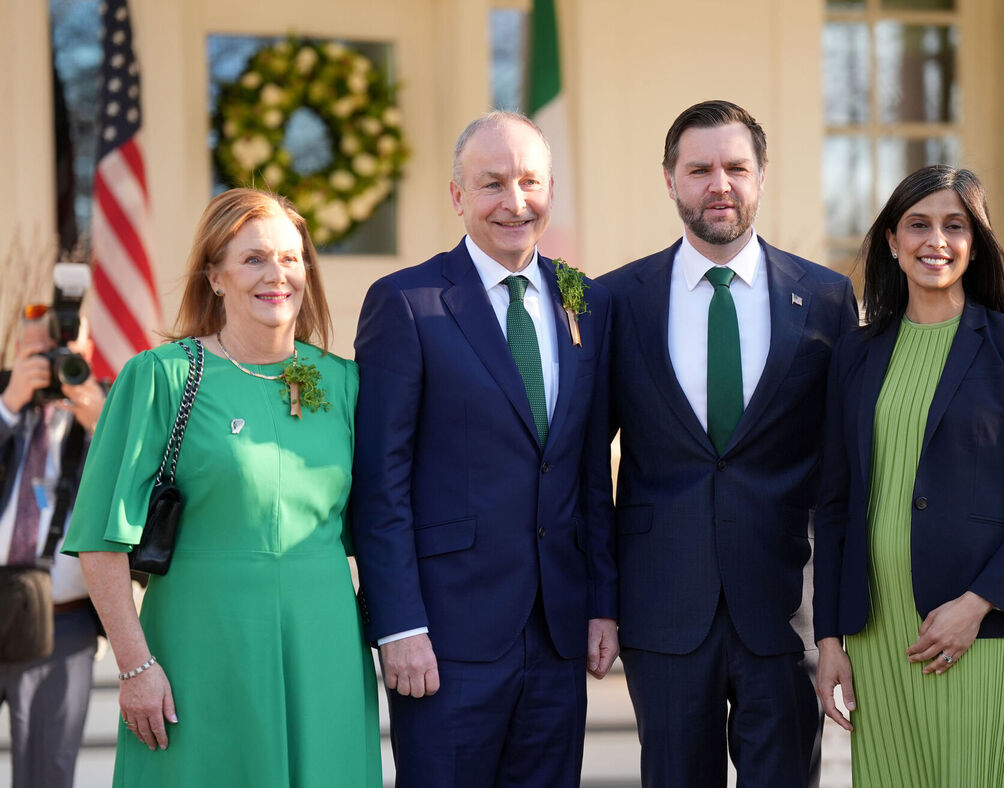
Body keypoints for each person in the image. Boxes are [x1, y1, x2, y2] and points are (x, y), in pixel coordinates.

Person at [62, 188, 382, 786]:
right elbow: (100, 543)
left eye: (291, 258)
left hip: (325, 647)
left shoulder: (341, 383)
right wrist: (135, 667)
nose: (277, 275)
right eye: (254, 259)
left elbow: (381, 524)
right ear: (215, 277)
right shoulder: (161, 377)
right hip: (200, 649)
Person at [352, 111, 618, 787]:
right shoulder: (407, 302)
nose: (514, 201)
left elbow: (588, 470)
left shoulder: (582, 298)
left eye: (529, 182)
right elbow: (381, 483)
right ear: (457, 196)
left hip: (557, 633)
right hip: (447, 634)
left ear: (551, 190)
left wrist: (600, 602)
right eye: (492, 183)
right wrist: (399, 624)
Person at [598, 100, 858, 787]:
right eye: (700, 169)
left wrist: (837, 620)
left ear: (762, 176)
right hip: (662, 609)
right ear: (670, 179)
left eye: (736, 167)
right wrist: (600, 600)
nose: (720, 184)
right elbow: (586, 471)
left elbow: (843, 479)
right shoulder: (617, 300)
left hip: (784, 609)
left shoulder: (828, 299)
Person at [814, 165, 1004, 786]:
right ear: (892, 242)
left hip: (978, 630)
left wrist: (977, 605)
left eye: (955, 226)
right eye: (919, 225)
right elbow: (834, 504)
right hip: (878, 637)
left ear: (975, 241)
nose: (936, 240)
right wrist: (829, 640)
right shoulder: (856, 352)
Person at [0, 307, 105, 788]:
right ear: (19, 353)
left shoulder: (110, 409)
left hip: (63, 619)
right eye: (40, 352)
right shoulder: (5, 397)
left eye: (66, 352)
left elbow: (146, 491)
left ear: (85, 354)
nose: (54, 363)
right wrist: (8, 406)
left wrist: (100, 426)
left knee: (47, 771)